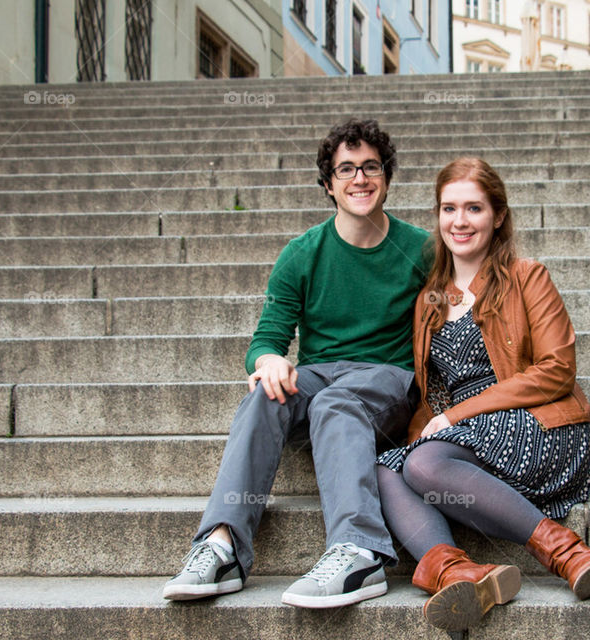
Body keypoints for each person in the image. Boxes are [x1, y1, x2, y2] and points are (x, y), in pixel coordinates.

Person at [163, 119, 432, 607]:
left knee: (335, 402)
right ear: (328, 184)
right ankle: (222, 544)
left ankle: (361, 550)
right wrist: (269, 362)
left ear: (387, 178)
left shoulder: (421, 249)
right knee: (266, 394)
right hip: (320, 375)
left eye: (371, 166)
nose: (360, 178)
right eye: (345, 169)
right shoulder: (302, 254)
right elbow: (266, 340)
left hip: (387, 380)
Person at [376, 157, 590, 632]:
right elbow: (433, 395)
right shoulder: (429, 300)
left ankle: (568, 553)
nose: (460, 221)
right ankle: (460, 574)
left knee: (424, 464)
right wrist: (422, 436)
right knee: (387, 468)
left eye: (474, 208)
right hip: (468, 436)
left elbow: (557, 370)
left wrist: (454, 420)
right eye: (449, 208)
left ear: (498, 216)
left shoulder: (527, 276)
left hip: (539, 423)